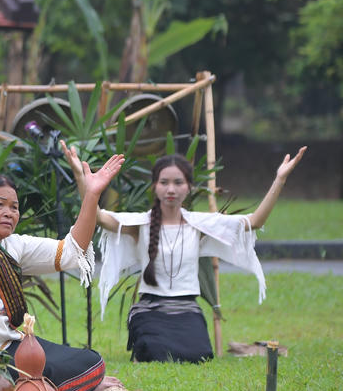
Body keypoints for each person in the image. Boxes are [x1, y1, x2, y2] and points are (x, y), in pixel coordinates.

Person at [74, 146, 306, 364]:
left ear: (189, 187)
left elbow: (255, 221)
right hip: (150, 310)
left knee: (199, 355)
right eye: (164, 182)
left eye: (178, 182)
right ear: (155, 186)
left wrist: (280, 178)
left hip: (187, 310)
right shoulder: (140, 223)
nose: (171, 189)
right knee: (154, 353)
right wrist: (82, 179)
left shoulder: (200, 224)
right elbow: (97, 215)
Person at [0, 140, 124, 391]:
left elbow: (72, 250)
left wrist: (92, 194)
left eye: (14, 207)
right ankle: (41, 385)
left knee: (91, 363)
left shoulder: (15, 245)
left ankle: (44, 383)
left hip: (11, 347)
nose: (9, 213)